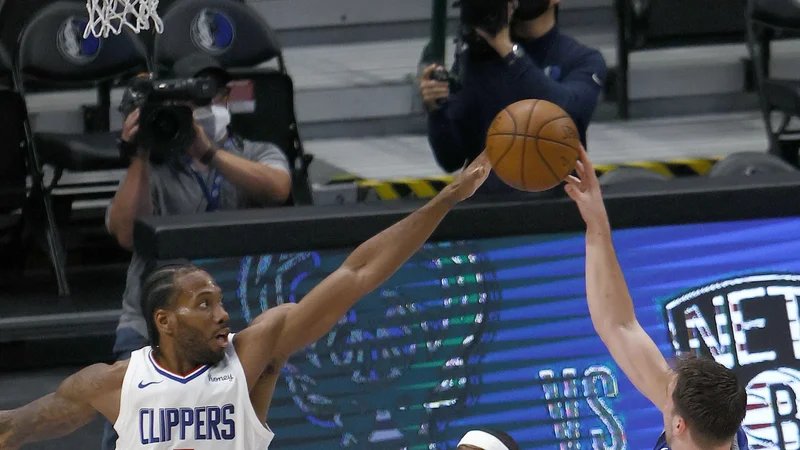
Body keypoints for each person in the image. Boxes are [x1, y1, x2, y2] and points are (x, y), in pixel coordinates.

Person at [0, 154, 490, 450]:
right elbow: (13, 430)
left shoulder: (253, 354)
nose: (223, 314)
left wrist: (443, 200)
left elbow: (357, 274)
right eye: (205, 303)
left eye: (219, 301)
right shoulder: (111, 383)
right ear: (165, 320)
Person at [101, 53, 293, 449]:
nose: (204, 110)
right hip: (151, 324)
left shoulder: (255, 151)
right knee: (127, 431)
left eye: (211, 97)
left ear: (225, 98)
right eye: (193, 103)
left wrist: (207, 153)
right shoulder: (156, 165)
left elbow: (278, 188)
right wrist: (139, 154)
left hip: (227, 322)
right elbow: (123, 232)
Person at [564, 147, 749, 450]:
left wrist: (597, 227)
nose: (663, 384)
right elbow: (618, 325)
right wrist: (597, 226)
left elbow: (617, 326)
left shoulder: (704, 422)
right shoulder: (724, 431)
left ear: (679, 424)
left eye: (670, 392)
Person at [420, 0, 607, 194]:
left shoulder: (583, 59)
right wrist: (436, 112)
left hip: (557, 208)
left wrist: (509, 51)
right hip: (489, 209)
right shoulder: (477, 62)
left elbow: (568, 112)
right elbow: (451, 159)